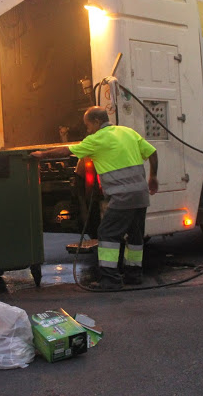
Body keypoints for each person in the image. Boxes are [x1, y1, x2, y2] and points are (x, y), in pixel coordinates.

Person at [32, 106, 158, 290]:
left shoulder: (96, 139)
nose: (87, 129)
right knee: (135, 237)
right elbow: (153, 152)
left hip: (122, 197)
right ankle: (133, 275)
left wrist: (42, 154)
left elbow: (67, 151)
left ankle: (110, 280)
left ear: (97, 122)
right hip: (140, 195)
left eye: (88, 125)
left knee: (107, 234)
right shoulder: (128, 132)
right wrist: (153, 177)